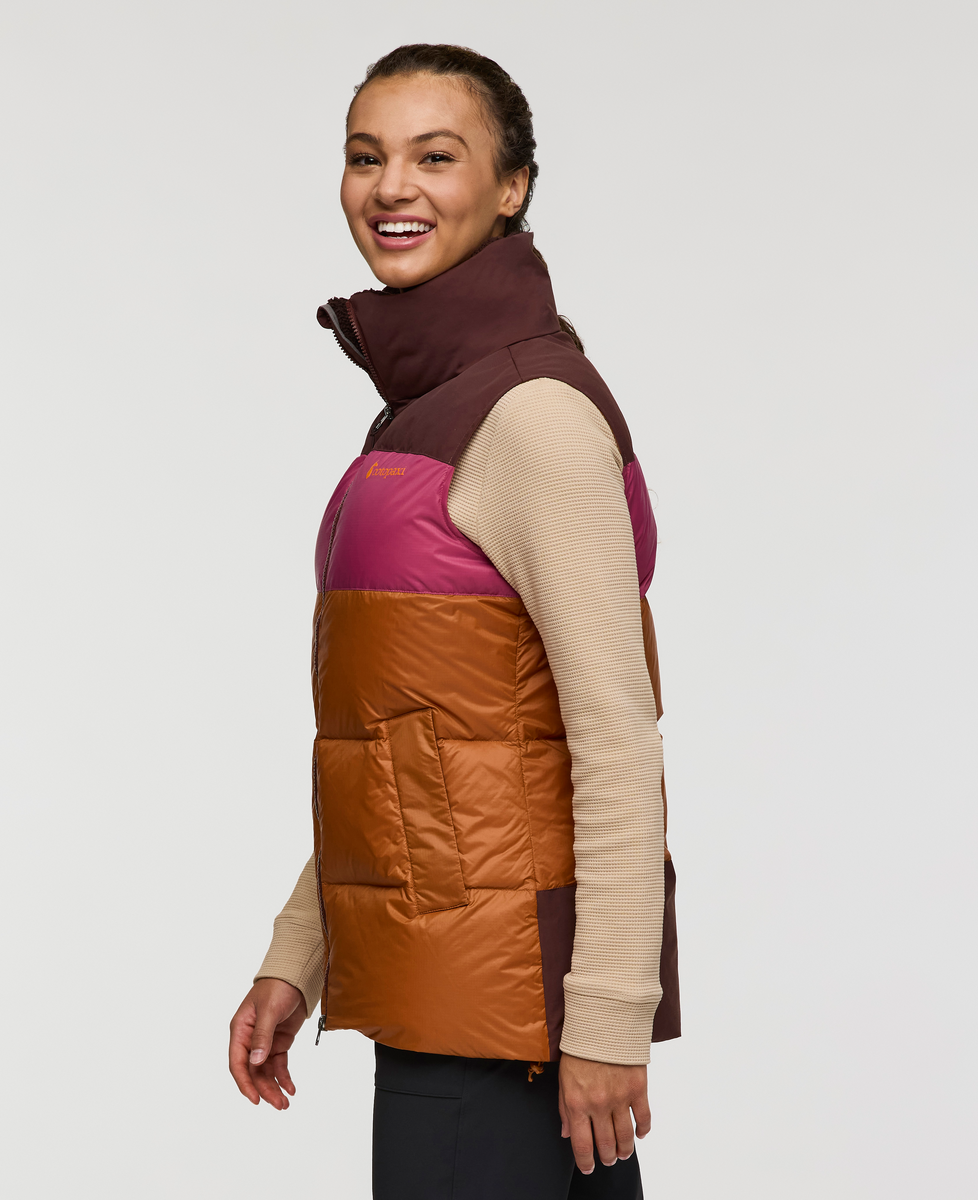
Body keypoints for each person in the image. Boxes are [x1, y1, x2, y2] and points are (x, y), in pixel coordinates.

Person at [228, 43, 680, 1200]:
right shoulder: (433, 410)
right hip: (462, 998)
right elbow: (414, 754)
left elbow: (616, 740)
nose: (392, 187)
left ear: (512, 185)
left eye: (436, 157)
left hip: (500, 1025)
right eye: (366, 156)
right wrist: (299, 954)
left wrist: (608, 1018)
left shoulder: (528, 414)